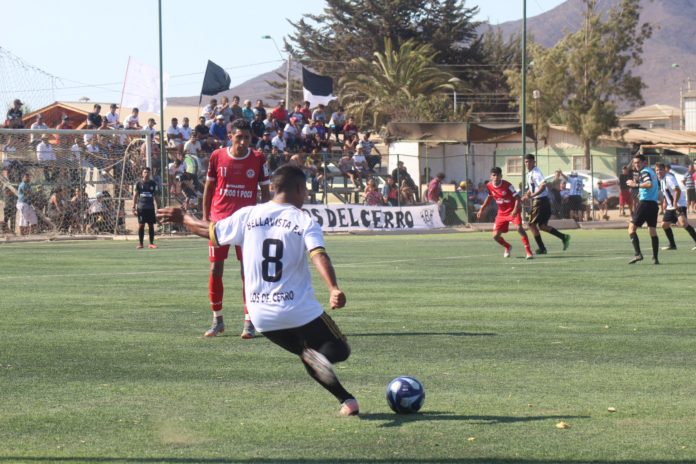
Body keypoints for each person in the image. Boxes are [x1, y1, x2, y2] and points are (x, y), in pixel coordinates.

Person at [157, 165, 358, 416]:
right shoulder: (304, 220)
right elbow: (318, 254)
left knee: (309, 355)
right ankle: (331, 376)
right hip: (298, 309)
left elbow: (208, 231)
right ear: (299, 189)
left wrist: (183, 217)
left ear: (273, 188)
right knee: (338, 349)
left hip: (260, 315)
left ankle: (347, 401)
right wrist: (333, 288)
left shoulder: (248, 215)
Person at [203, 118, 271, 339]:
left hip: (247, 224)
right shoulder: (217, 156)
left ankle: (249, 320)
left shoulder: (258, 159)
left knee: (247, 273)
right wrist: (205, 218)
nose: (242, 141)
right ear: (230, 136)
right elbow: (209, 188)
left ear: (251, 139)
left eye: (247, 138)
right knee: (216, 270)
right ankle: (217, 320)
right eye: (238, 137)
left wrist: (264, 217)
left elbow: (265, 192)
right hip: (220, 222)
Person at [477, 167, 533, 259]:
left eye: (498, 175)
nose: (496, 177)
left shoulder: (508, 185)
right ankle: (507, 247)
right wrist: (481, 209)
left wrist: (515, 210)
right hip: (501, 213)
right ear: (490, 176)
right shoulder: (489, 185)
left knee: (519, 228)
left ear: (501, 176)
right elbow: (490, 196)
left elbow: (517, 198)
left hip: (512, 211)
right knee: (495, 236)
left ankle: (529, 252)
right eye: (494, 175)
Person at [521, 154, 571, 254]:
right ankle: (564, 237)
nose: (528, 163)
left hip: (539, 201)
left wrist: (532, 195)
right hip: (543, 201)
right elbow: (533, 188)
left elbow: (543, 186)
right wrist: (527, 195)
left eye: (530, 161)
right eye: (526, 162)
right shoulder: (529, 173)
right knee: (542, 226)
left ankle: (542, 248)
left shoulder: (536, 172)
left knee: (531, 225)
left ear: (534, 162)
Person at [625, 154, 660, 264]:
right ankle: (655, 258)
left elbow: (648, 184)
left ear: (645, 162)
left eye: (638, 162)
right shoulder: (651, 172)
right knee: (652, 231)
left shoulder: (645, 172)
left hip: (645, 203)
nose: (636, 165)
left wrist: (635, 185)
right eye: (635, 163)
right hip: (653, 204)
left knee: (631, 228)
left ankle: (638, 254)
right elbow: (655, 186)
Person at [655, 163, 696, 251]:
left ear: (665, 170)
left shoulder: (669, 178)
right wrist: (665, 202)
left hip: (679, 204)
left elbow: (677, 190)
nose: (658, 172)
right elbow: (666, 192)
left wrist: (675, 203)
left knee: (683, 223)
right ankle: (672, 245)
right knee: (664, 225)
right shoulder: (661, 179)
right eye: (657, 170)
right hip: (671, 206)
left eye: (660, 169)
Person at [132, 167, 159, 249]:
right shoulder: (138, 183)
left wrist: (159, 207)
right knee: (141, 225)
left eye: (148, 172)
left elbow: (156, 196)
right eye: (145, 172)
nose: (146, 174)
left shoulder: (153, 184)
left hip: (150, 207)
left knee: (151, 225)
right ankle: (141, 243)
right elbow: (135, 195)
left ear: (150, 174)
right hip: (141, 208)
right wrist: (133, 206)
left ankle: (151, 243)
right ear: (142, 173)